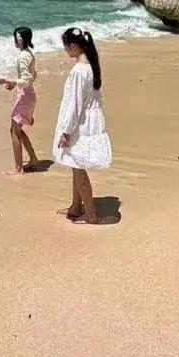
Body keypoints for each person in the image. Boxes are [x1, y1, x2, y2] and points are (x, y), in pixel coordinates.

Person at [54, 27, 111, 223]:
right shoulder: (91, 66)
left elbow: (75, 105)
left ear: (72, 46)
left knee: (78, 168)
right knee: (74, 164)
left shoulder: (79, 71)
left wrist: (66, 131)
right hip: (90, 120)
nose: (65, 50)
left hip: (80, 124)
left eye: (66, 46)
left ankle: (91, 213)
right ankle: (75, 206)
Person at [0, 26, 39, 175]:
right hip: (29, 96)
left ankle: (18, 169)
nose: (14, 40)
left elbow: (27, 79)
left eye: (15, 38)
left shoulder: (22, 57)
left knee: (14, 130)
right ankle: (33, 159)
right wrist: (15, 84)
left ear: (20, 40)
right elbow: (33, 75)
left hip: (25, 97)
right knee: (16, 129)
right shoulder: (29, 54)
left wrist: (7, 80)